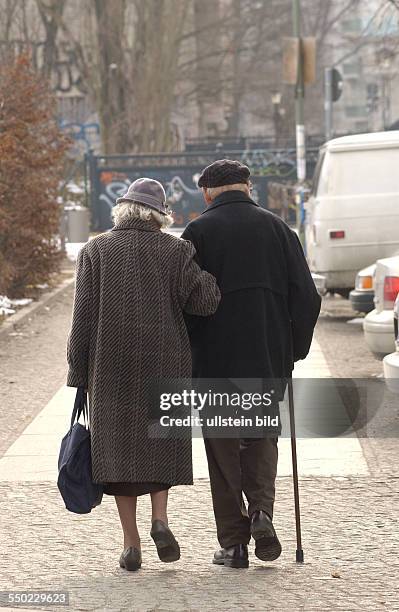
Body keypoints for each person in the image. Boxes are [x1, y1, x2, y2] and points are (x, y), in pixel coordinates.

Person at [66, 178, 220, 572]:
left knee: (116, 453)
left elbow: (82, 318)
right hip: (165, 359)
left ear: (121, 210)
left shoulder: (95, 250)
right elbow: (205, 302)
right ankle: (161, 521)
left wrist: (78, 372)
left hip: (109, 366)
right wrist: (208, 274)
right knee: (161, 443)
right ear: (160, 215)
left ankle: (130, 542)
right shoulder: (176, 250)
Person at [181, 159, 321, 569]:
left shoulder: (198, 232)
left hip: (215, 360)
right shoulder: (279, 229)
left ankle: (233, 543)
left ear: (208, 192)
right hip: (266, 357)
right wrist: (292, 349)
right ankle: (261, 511)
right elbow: (307, 299)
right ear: (247, 187)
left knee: (223, 449)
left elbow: (187, 299)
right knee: (260, 439)